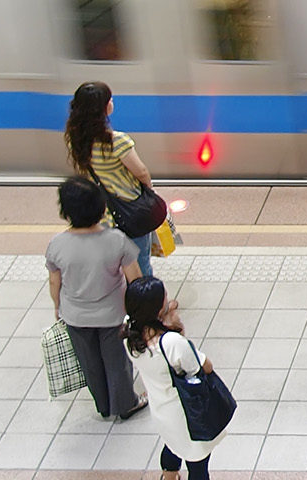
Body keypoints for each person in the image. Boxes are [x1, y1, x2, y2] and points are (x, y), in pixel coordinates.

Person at [46, 176, 146, 421]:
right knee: (117, 363)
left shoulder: (57, 244)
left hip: (75, 316)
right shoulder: (116, 240)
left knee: (90, 363)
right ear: (101, 208)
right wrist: (140, 312)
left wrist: (58, 307)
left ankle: (102, 405)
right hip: (111, 314)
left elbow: (54, 282)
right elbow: (135, 279)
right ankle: (125, 404)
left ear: (66, 212)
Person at [124, 276, 224, 480]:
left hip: (160, 407)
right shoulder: (170, 342)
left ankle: (169, 476)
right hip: (185, 412)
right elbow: (203, 366)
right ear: (158, 309)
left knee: (172, 444)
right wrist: (178, 330)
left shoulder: (129, 334)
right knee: (197, 461)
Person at [66, 81, 158, 277]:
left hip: (103, 213)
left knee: (116, 264)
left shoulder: (77, 140)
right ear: (105, 108)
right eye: (110, 99)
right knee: (141, 264)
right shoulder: (117, 141)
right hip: (131, 210)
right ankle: (150, 306)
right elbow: (141, 172)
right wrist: (150, 192)